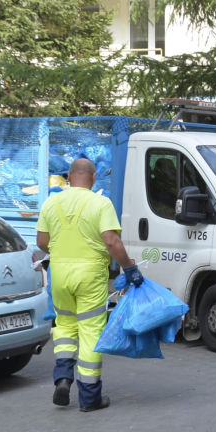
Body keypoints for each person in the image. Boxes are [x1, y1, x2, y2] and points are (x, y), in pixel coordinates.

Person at [36, 158, 143, 412]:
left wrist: (61, 252)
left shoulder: (51, 202)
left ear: (69, 178)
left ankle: (63, 378)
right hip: (90, 276)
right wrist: (129, 267)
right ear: (93, 178)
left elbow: (42, 241)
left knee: (64, 326)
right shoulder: (100, 202)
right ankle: (90, 397)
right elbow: (111, 241)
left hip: (60, 276)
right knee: (90, 331)